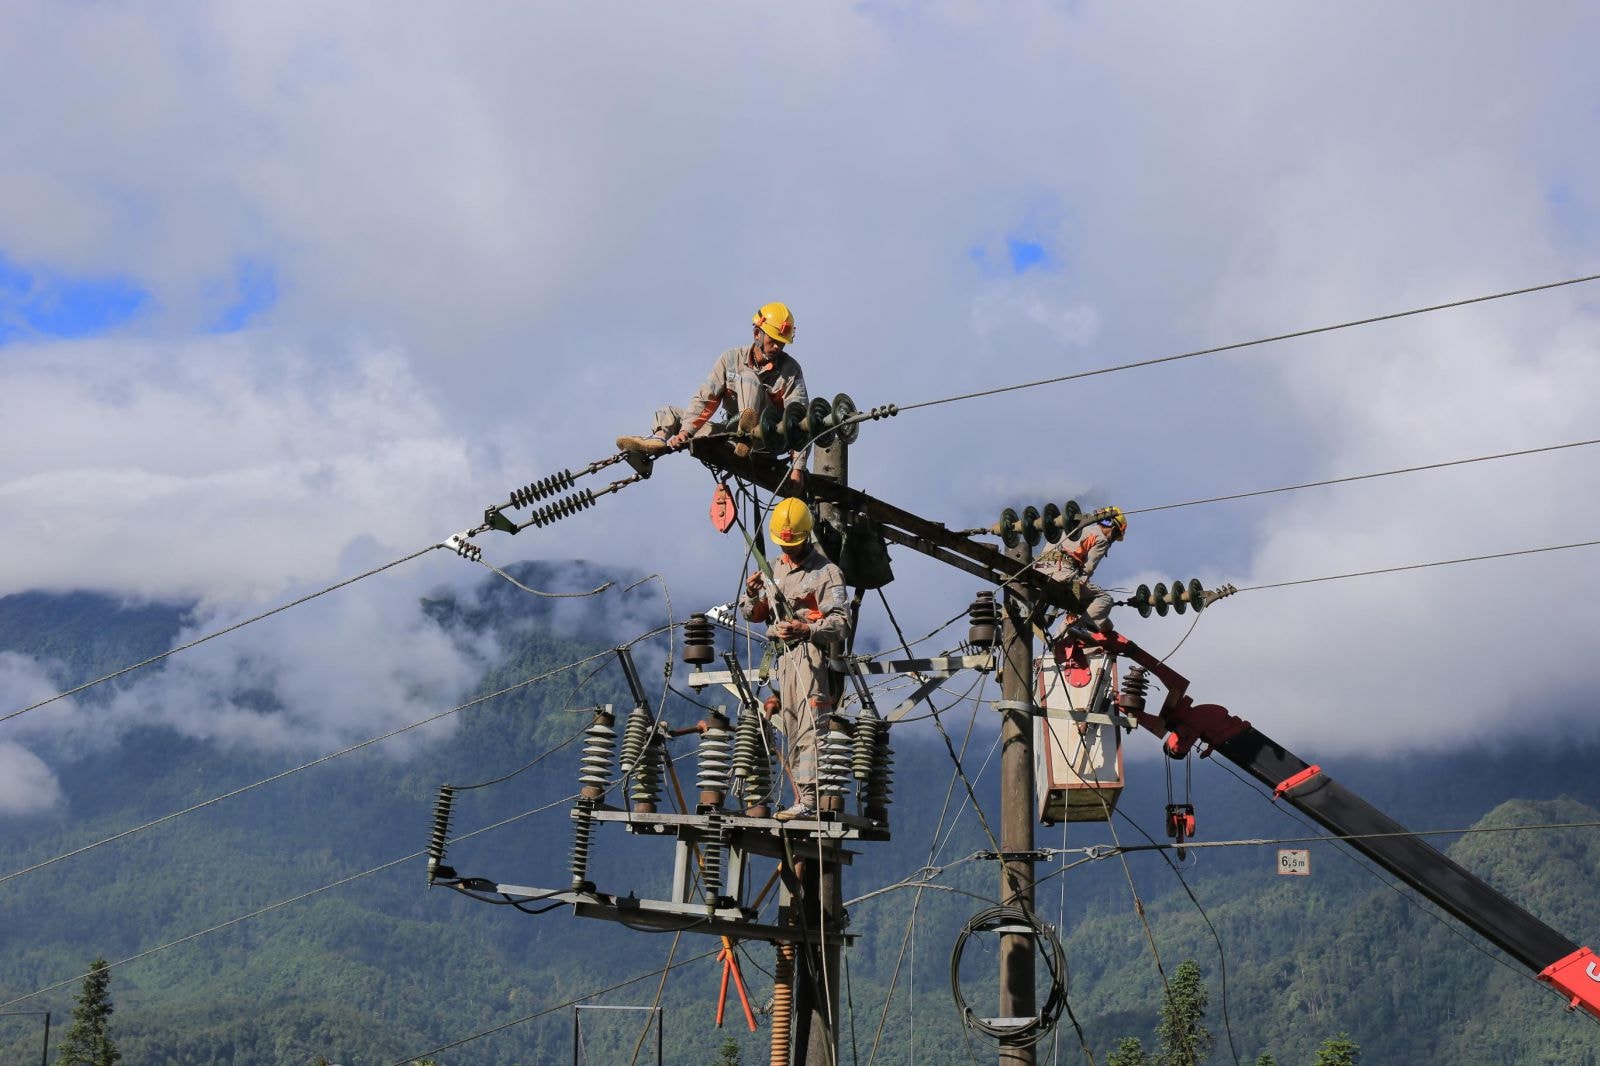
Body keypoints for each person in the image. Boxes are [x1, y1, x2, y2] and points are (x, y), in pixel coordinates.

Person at [737, 498, 851, 821]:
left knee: (810, 726)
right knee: (789, 724)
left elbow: (842, 623)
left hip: (810, 657)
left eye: (793, 544)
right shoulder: (773, 569)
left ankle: (810, 799)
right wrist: (752, 593)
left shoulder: (827, 573)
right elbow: (753, 614)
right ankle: (800, 796)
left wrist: (807, 628)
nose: (788, 550)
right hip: (782, 660)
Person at [616, 302, 809, 480]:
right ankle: (657, 440)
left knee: (748, 377)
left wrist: (798, 469)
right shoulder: (731, 359)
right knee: (670, 413)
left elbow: (800, 420)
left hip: (768, 439)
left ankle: (747, 435)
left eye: (781, 342)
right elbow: (705, 400)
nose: (777, 346)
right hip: (732, 435)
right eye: (773, 339)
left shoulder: (790, 370)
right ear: (757, 333)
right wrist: (686, 431)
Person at [1032, 507, 1126, 635]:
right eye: (1115, 535)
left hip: (1040, 569)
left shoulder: (1074, 527)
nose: (1113, 540)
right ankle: (1077, 629)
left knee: (1075, 603)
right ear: (1113, 527)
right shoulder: (1101, 539)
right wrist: (1076, 597)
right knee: (1105, 599)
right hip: (1063, 574)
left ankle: (1066, 632)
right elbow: (1087, 570)